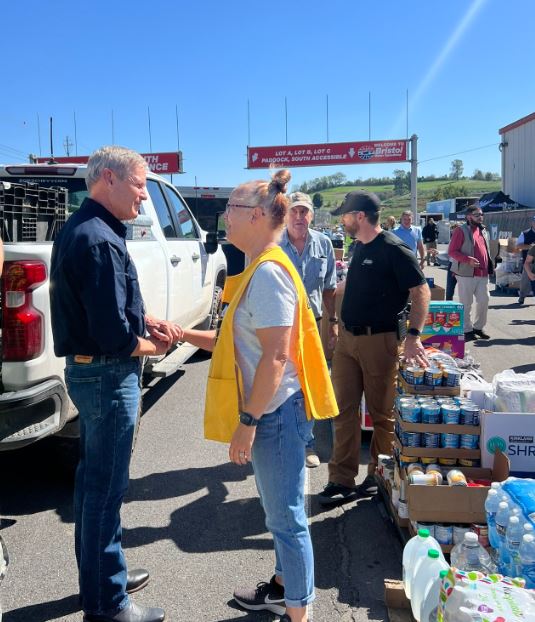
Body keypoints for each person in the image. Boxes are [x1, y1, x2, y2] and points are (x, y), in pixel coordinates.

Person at [175, 170, 338, 622]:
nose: (225, 216)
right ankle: (284, 590)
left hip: (274, 414)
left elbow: (276, 358)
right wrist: (180, 334)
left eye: (232, 208)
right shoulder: (259, 267)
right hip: (273, 412)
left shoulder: (267, 274)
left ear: (261, 216)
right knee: (279, 514)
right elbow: (232, 338)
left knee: (287, 520)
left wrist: (247, 423)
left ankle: (299, 613)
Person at [50, 146, 179, 622]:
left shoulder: (87, 229)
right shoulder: (100, 239)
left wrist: (147, 321)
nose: (145, 197)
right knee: (105, 488)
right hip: (106, 373)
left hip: (91, 372)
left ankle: (103, 577)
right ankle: (107, 604)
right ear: (109, 178)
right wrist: (155, 347)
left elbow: (111, 305)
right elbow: (115, 337)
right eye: (141, 184)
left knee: (92, 484)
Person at [318, 191, 430, 506]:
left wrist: (414, 335)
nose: (342, 220)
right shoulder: (358, 246)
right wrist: (336, 318)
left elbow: (421, 291)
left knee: (382, 415)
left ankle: (377, 476)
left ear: (361, 217)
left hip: (379, 342)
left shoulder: (394, 248)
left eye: (346, 215)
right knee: (342, 411)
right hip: (348, 342)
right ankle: (340, 479)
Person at [279, 191, 337, 468]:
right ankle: (279, 440)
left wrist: (333, 324)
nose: (299, 217)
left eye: (304, 212)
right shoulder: (273, 245)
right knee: (279, 382)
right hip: (279, 324)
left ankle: (306, 444)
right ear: (286, 214)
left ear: (311, 215)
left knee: (307, 385)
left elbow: (329, 288)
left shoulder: (323, 244)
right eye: (294, 211)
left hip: (312, 323)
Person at [448, 204, 494, 342]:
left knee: (484, 301)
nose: (480, 217)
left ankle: (478, 328)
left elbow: (485, 250)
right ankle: (467, 330)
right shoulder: (460, 231)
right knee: (466, 303)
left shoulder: (484, 230)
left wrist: (491, 263)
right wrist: (467, 260)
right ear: (468, 217)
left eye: (481, 215)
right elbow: (452, 251)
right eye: (477, 215)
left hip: (483, 274)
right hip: (465, 273)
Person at [515, 216, 535, 304]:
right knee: (525, 281)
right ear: (532, 223)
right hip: (529, 262)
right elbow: (518, 246)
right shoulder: (525, 233)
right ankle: (522, 296)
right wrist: (530, 247)